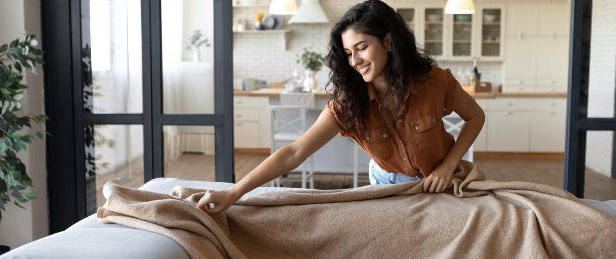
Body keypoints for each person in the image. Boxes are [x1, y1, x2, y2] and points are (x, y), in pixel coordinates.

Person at [198, 0, 484, 214]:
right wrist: (234, 193)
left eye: (361, 47)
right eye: (348, 53)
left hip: (441, 182)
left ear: (388, 41)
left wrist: (448, 165)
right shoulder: (349, 103)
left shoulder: (434, 81)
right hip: (387, 187)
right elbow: (294, 152)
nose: (354, 60)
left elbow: (475, 117)